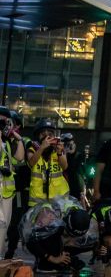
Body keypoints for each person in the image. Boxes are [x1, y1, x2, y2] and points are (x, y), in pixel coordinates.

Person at [23, 198, 97, 271]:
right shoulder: (49, 218)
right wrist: (52, 258)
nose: (71, 240)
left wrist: (98, 249)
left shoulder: (82, 217)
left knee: (85, 243)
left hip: (58, 227)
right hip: (30, 230)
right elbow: (30, 240)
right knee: (54, 238)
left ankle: (64, 257)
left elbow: (93, 241)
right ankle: (47, 261)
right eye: (68, 234)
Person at [4, 111, 32, 259]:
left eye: (10, 122)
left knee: (14, 222)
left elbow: (21, 160)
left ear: (18, 125)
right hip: (6, 189)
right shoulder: (5, 139)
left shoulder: (24, 141)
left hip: (19, 191)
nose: (7, 125)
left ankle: (11, 251)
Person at [28, 119, 69, 208]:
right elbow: (31, 163)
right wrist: (41, 148)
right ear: (37, 136)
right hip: (38, 200)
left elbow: (64, 166)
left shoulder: (59, 149)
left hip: (59, 199)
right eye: (43, 134)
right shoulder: (32, 149)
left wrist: (59, 153)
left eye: (50, 134)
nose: (47, 137)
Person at [0, 108, 25, 254]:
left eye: (4, 121)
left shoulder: (8, 142)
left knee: (4, 226)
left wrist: (18, 138)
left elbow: (20, 157)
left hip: (7, 193)